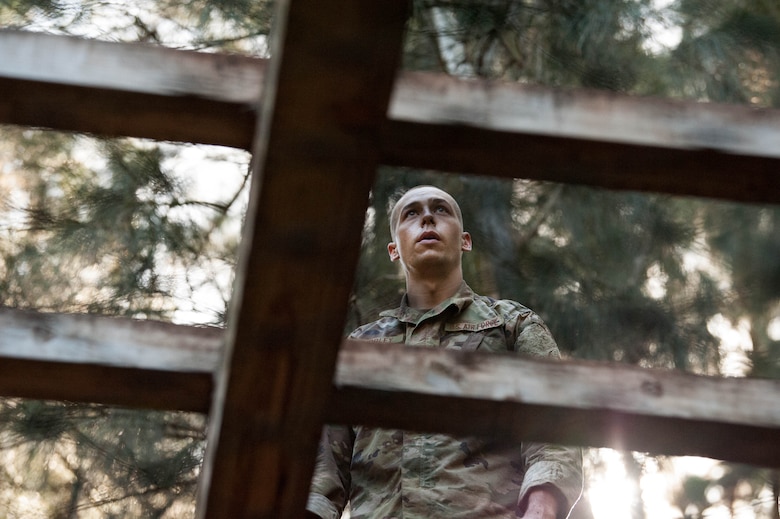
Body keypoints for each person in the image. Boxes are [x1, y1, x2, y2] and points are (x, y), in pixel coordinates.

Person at [307, 185, 582, 519]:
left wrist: (542, 510)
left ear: (465, 241)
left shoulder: (512, 324)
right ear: (393, 250)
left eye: (440, 209)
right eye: (411, 213)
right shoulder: (360, 348)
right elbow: (322, 472)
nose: (426, 218)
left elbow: (554, 431)